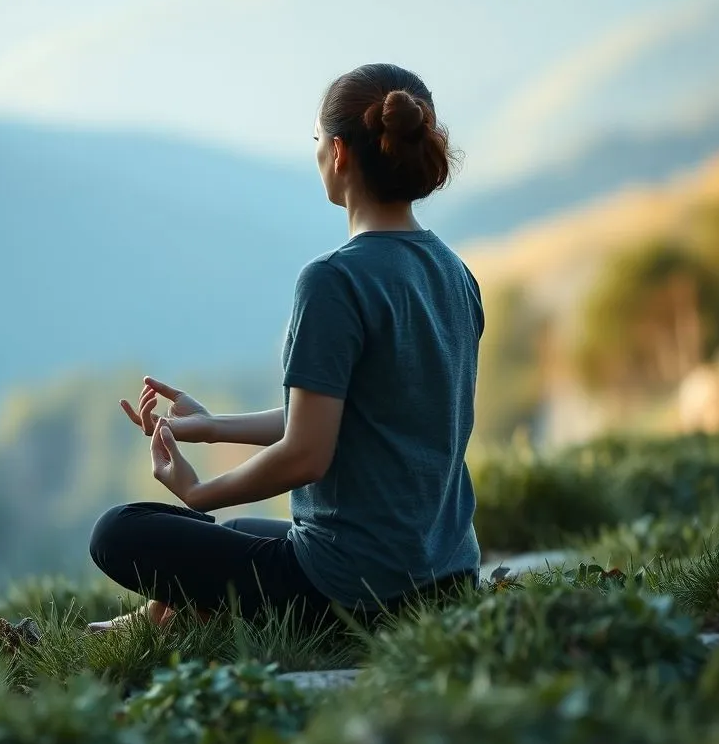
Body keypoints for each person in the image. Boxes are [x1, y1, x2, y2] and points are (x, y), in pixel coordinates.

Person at [88, 63, 484, 632]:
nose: (318, 154)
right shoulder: (455, 273)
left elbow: (307, 453)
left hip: (356, 590)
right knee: (241, 534)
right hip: (444, 578)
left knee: (118, 531)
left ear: (341, 152)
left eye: (319, 141)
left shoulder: (334, 281)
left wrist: (200, 493)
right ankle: (147, 625)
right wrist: (213, 425)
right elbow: (357, 414)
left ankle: (160, 623)